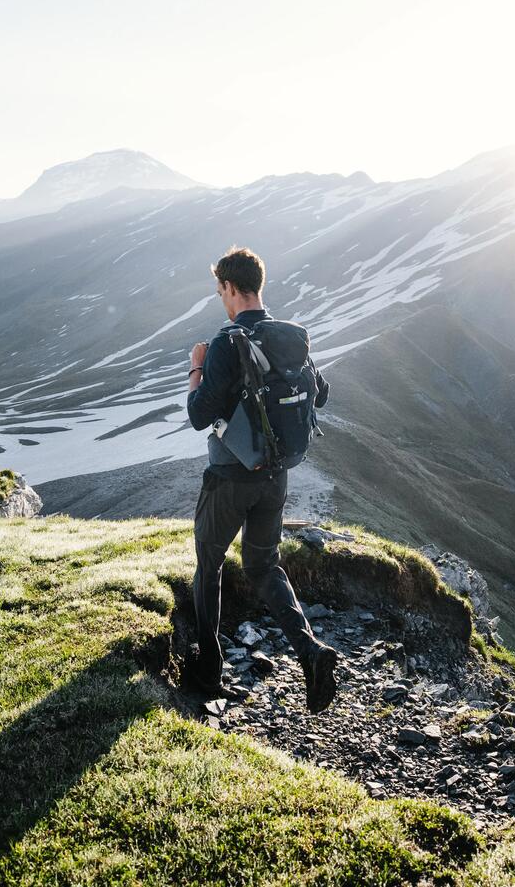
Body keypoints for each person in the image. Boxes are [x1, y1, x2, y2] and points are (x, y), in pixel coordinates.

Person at [183, 246, 340, 712]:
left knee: (208, 565)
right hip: (276, 476)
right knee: (263, 566)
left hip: (230, 476)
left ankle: (209, 673)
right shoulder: (290, 336)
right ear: (260, 286)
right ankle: (310, 652)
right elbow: (322, 395)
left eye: (220, 292)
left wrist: (196, 364)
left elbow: (198, 415)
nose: (221, 300)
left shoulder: (227, 342)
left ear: (231, 288)